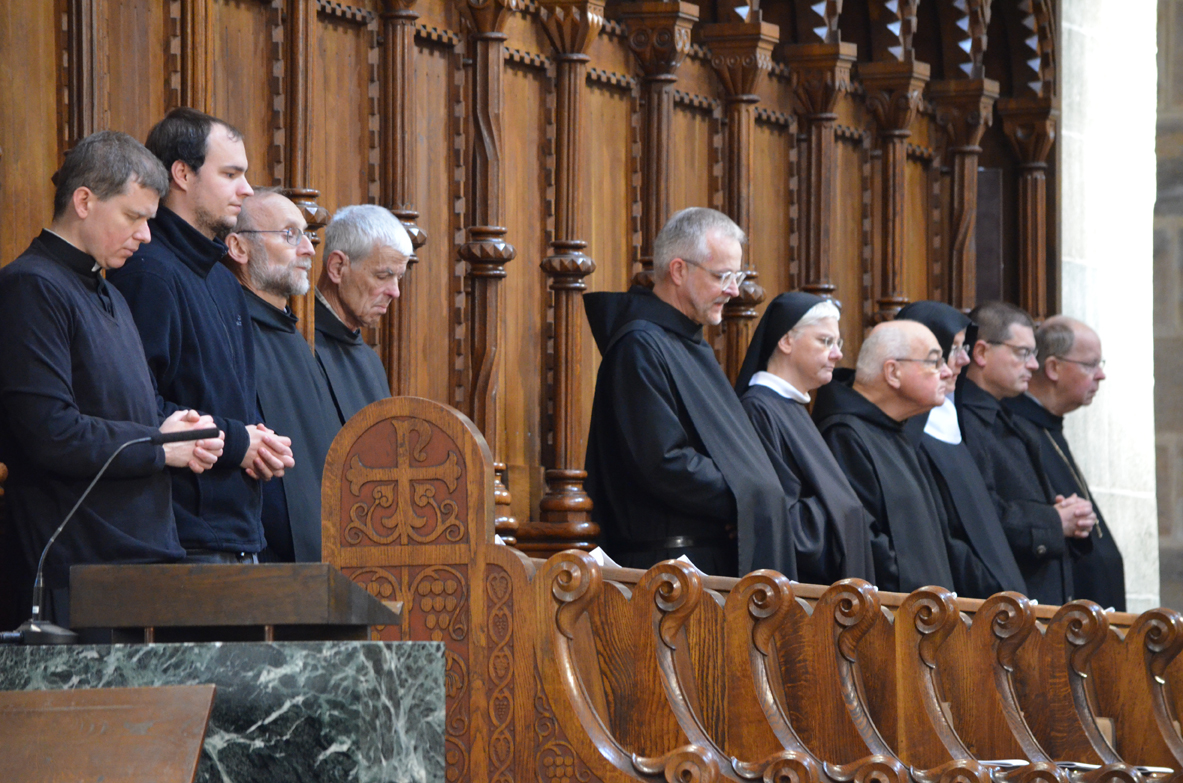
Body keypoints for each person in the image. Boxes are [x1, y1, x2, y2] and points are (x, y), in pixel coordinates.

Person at [0, 131, 225, 626]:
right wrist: (159, 445)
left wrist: (180, 432)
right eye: (133, 217)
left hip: (138, 564)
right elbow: (51, 433)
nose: (146, 236)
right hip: (73, 572)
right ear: (84, 201)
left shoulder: (111, 293)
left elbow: (127, 411)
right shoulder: (30, 286)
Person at [108, 108, 294, 565]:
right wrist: (239, 443)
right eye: (230, 174)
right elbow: (137, 410)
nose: (246, 190)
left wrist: (260, 443)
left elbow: (233, 399)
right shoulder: (148, 272)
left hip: (237, 533)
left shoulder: (223, 280)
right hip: (181, 539)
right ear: (182, 174)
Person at [583, 207, 792, 578]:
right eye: (722, 276)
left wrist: (751, 494)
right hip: (670, 570)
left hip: (706, 561)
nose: (734, 290)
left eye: (737, 276)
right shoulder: (639, 345)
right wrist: (743, 496)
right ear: (678, 270)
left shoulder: (688, 343)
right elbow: (663, 460)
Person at [224, 189, 341, 562]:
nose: (308, 249)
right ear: (238, 248)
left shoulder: (294, 336)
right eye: (290, 235)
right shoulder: (228, 329)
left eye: (307, 235)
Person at [958, 301, 1095, 606]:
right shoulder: (964, 421)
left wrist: (1068, 515)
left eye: (1034, 354)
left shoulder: (1009, 419)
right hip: (1004, 608)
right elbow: (978, 518)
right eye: (1023, 353)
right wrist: (1055, 521)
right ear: (981, 352)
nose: (1033, 365)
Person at [736, 292, 875, 585]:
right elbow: (779, 518)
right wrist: (844, 509)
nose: (837, 355)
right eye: (825, 341)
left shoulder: (793, 407)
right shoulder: (759, 409)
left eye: (838, 344)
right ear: (786, 341)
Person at [812, 320, 955, 593]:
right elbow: (864, 542)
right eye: (934, 362)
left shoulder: (894, 429)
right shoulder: (844, 435)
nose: (947, 372)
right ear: (893, 372)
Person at [896, 301, 1026, 598]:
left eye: (964, 348)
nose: (964, 360)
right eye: (954, 349)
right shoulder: (909, 431)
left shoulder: (956, 417)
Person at [1004, 316, 1125, 610]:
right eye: (1090, 365)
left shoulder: (1049, 427)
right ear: (1053, 368)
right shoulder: (1014, 430)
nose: (1100, 375)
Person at [315, 204, 412, 425]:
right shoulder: (300, 346)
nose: (395, 292)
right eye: (382, 276)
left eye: (398, 278)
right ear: (338, 268)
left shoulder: (371, 360)